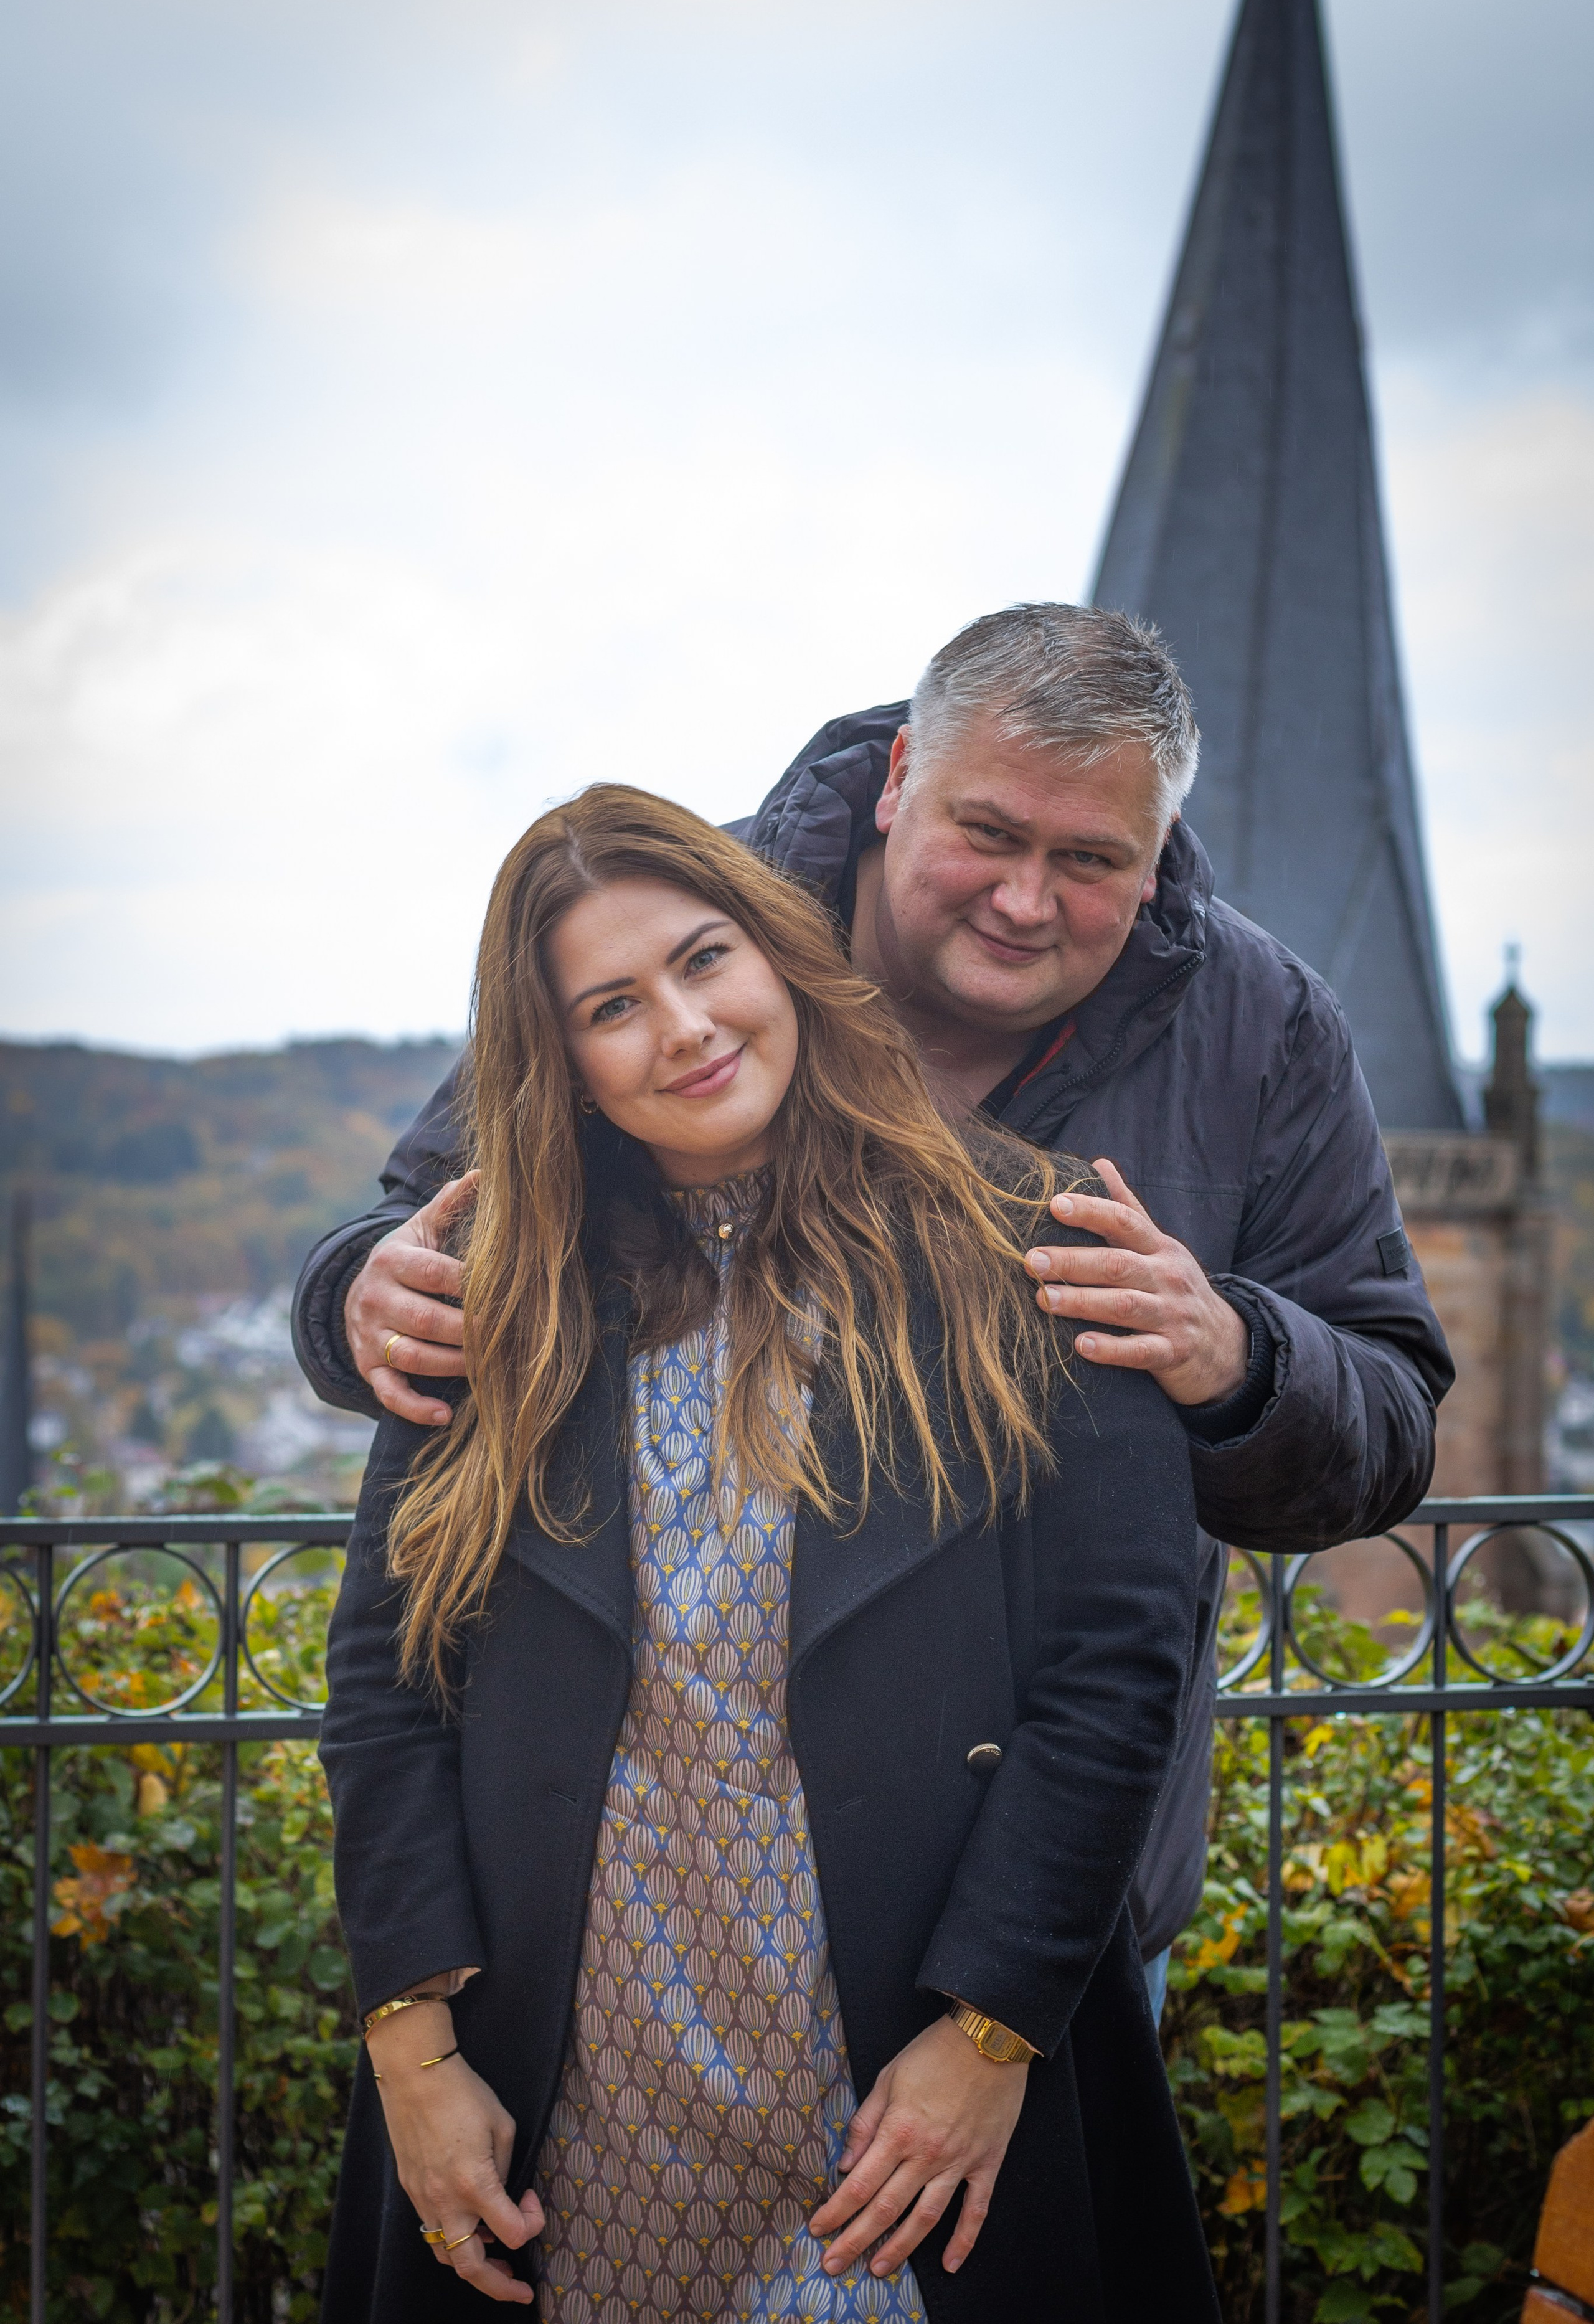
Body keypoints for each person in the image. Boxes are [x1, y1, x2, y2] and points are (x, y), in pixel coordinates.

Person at [295, 604, 1453, 2011]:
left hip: (1053, 1910)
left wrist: (1237, 1356)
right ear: (903, 777)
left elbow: (1390, 1427)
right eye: (989, 834)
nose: (1024, 901)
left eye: (1089, 861)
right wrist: (355, 1297)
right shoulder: (692, 928)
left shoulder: (1263, 1028)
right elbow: (439, 1227)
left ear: (1156, 857)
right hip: (630, 1886)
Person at [318, 785, 1219, 2320]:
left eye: (702, 959)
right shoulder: (495, 1287)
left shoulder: (1033, 1239)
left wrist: (989, 2031)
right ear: (565, 1065)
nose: (681, 1027)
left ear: (780, 954)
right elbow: (384, 1678)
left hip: (909, 2089)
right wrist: (414, 2054)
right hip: (570, 2100)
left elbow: (1115, 1671)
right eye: (611, 1007)